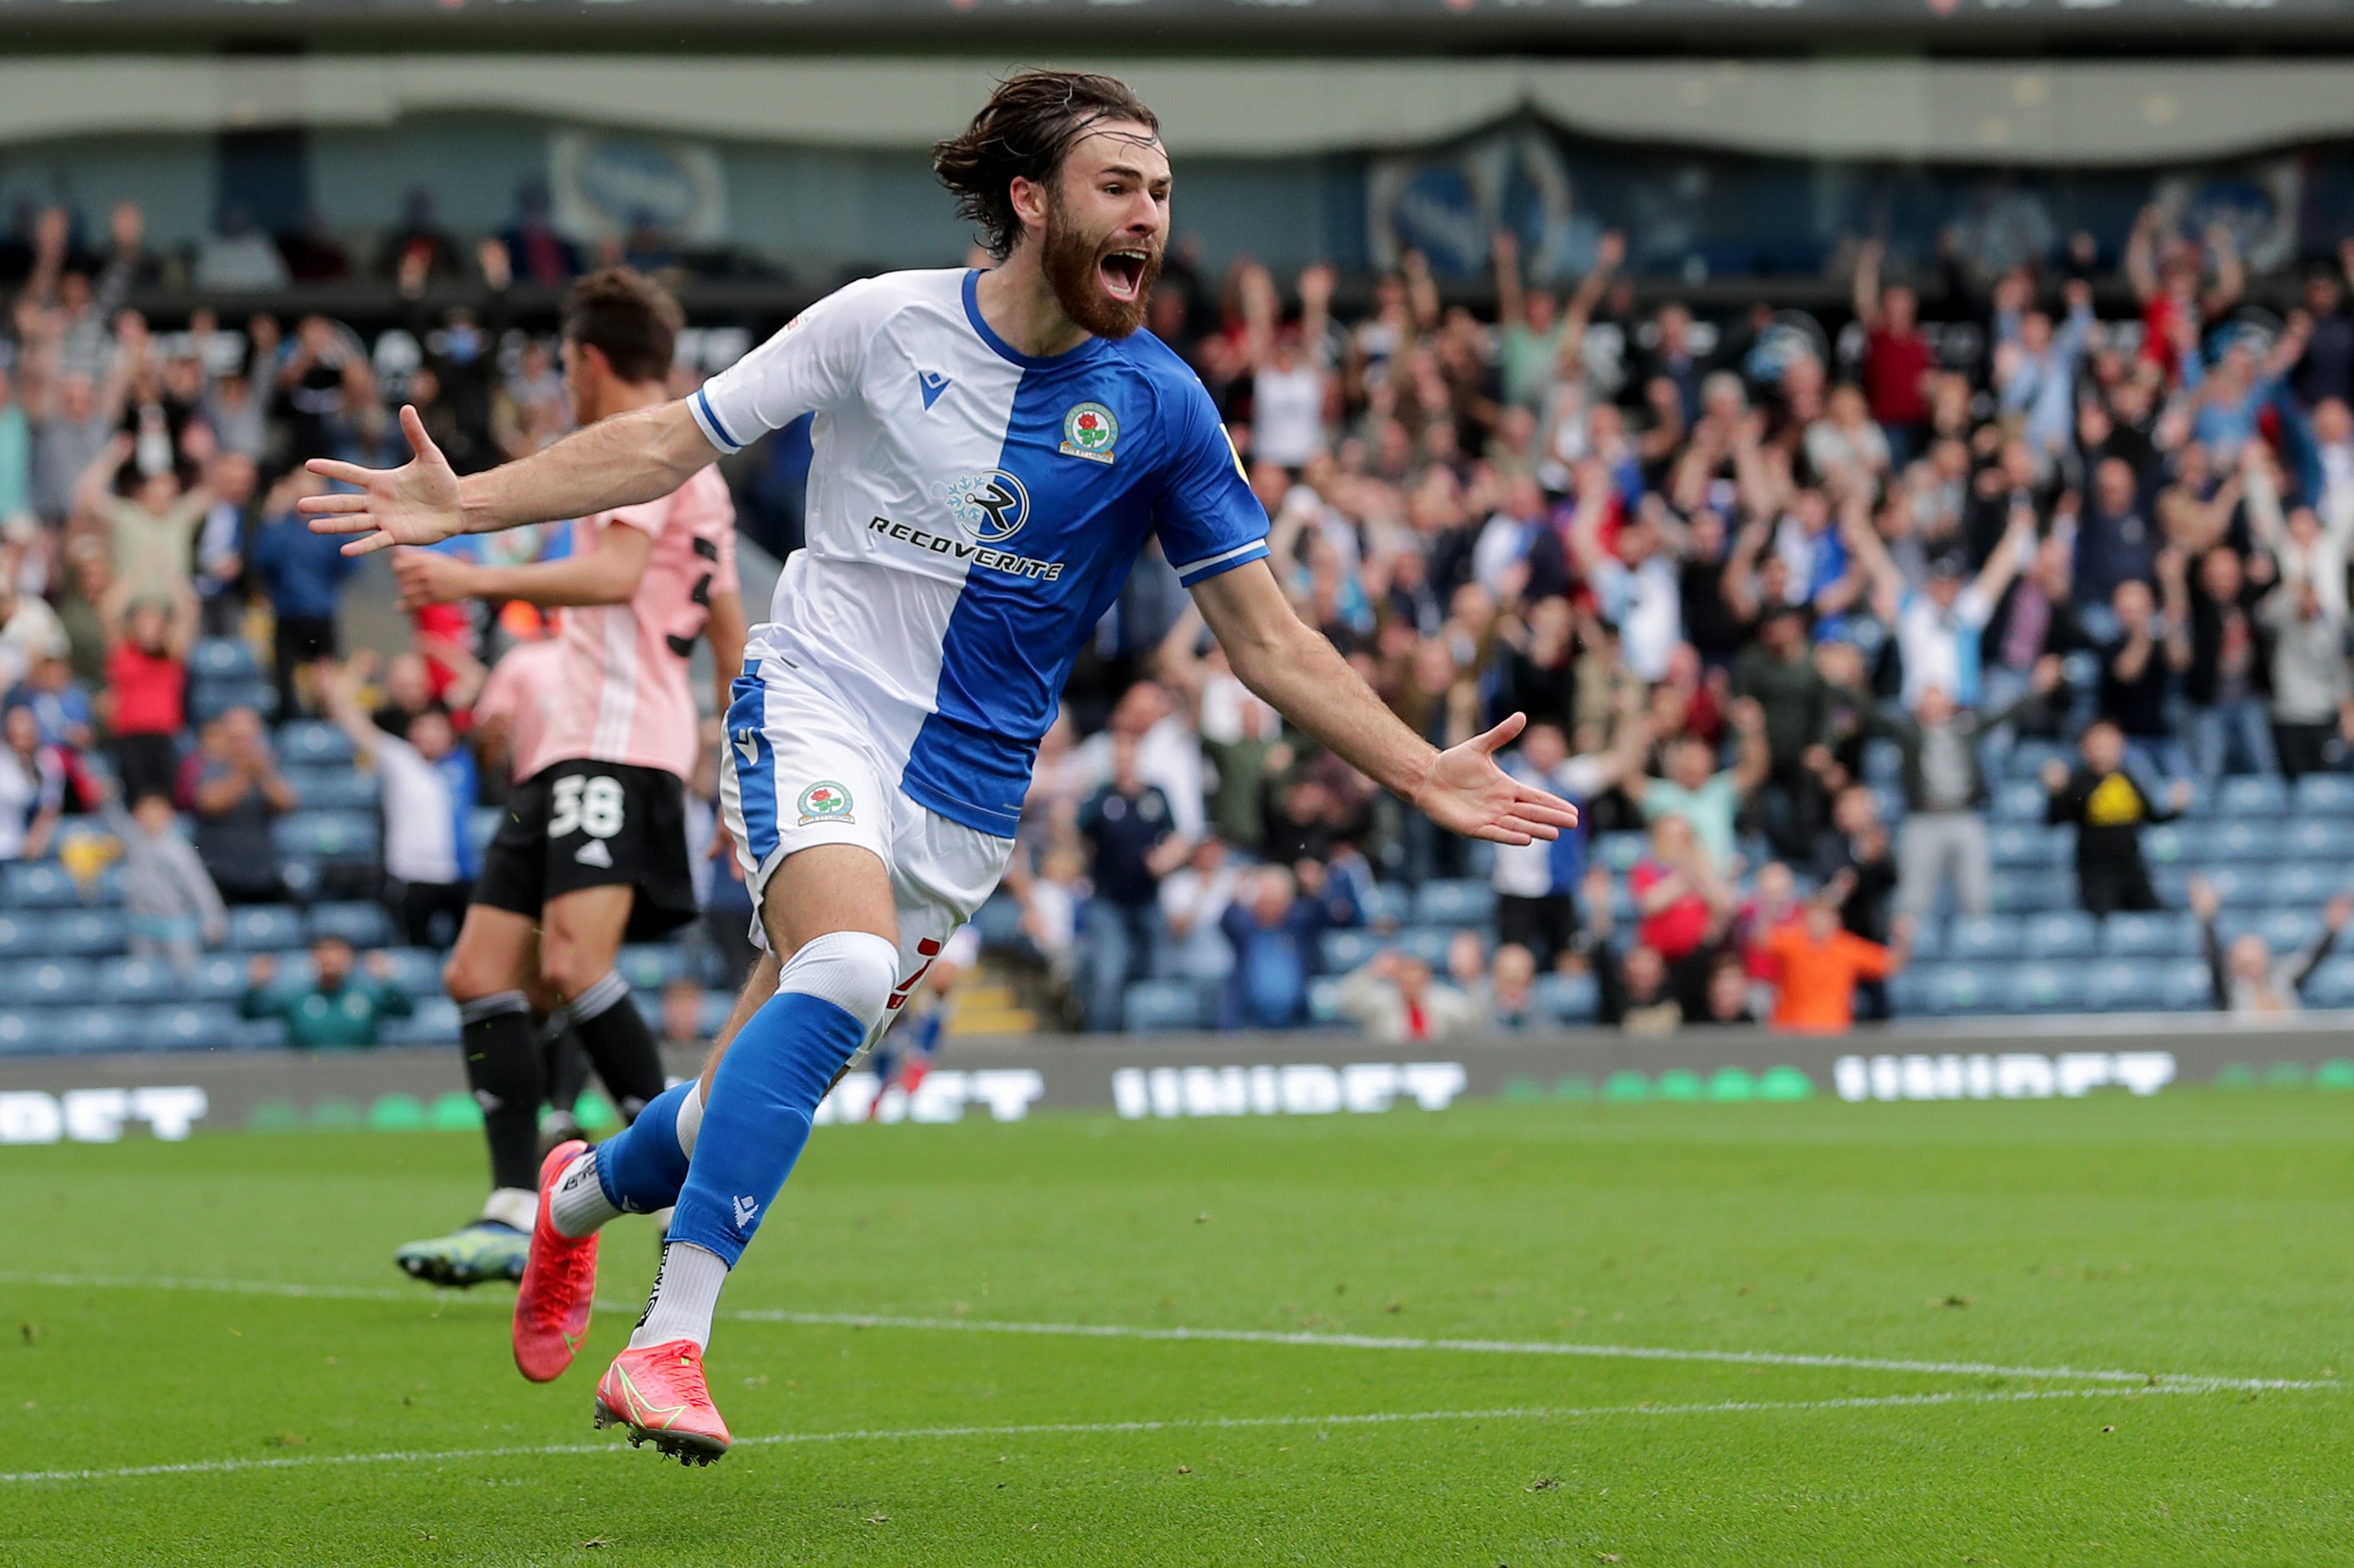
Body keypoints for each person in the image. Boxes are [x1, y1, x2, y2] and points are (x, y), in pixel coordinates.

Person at [305, 70, 1575, 1460]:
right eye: (1119, 186)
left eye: (1160, 191)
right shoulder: (878, 321)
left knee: (745, 1092)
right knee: (840, 969)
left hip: (964, 803)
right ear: (1030, 201)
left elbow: (1264, 639)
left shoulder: (1159, 405)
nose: (1149, 213)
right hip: (817, 703)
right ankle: (668, 1338)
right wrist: (473, 502)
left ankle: (567, 1201)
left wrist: (1416, 768)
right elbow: (673, 438)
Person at [380, 268, 749, 1289]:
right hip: (574, 745)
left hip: (617, 742)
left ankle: (695, 1177)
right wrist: (733, 750)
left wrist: (472, 573)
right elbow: (722, 619)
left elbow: (620, 579)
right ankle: (510, 1210)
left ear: (587, 361)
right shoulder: (669, 461)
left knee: (576, 961)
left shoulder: (655, 455)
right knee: (481, 971)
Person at [319, 654, 479, 950]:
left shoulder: (463, 762)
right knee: (412, 954)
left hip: (459, 874)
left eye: (436, 729)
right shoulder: (399, 758)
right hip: (411, 876)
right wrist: (354, 673)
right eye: (422, 729)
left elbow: (475, 681)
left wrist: (435, 655)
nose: (429, 736)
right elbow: (348, 714)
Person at [1076, 732, 1188, 1030]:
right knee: (1108, 974)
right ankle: (1102, 1044)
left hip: (1148, 898)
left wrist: (1167, 857)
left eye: (1129, 758)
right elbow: (1075, 834)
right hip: (1109, 900)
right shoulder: (1101, 796)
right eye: (1119, 759)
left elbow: (1178, 839)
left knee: (1160, 972)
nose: (1124, 765)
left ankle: (1152, 1043)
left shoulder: (1156, 794)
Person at [2043, 718, 2191, 917]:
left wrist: (2176, 809)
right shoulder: (2079, 782)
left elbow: (2151, 816)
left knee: (2160, 917)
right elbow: (2054, 819)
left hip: (2132, 868)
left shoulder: (2128, 778)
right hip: (2097, 874)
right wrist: (2056, 793)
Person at [103, 778, 226, 975]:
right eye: (144, 811)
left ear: (168, 814)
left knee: (185, 976)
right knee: (144, 977)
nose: (149, 817)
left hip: (176, 924)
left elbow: (199, 885)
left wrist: (213, 917)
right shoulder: (135, 839)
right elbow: (116, 820)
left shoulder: (178, 849)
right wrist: (109, 799)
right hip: (142, 923)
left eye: (155, 810)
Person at [2189, 873, 2351, 1015]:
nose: (2252, 968)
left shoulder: (2283, 982)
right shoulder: (2231, 993)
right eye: (2245, 964)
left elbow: (2312, 959)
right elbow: (2214, 960)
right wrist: (2207, 921)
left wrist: (2332, 930)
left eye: (2256, 960)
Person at [190, 705, 299, 905]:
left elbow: (288, 803)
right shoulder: (212, 766)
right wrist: (243, 776)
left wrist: (264, 775)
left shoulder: (265, 769)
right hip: (221, 874)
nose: (242, 745)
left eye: (247, 738)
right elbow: (208, 803)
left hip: (262, 872)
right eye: (236, 738)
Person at [1757, 896, 1907, 1033]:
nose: (1818, 923)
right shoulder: (1793, 942)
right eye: (1813, 918)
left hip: (1833, 1031)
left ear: (1836, 921)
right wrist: (1769, 906)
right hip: (1791, 1030)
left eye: (1823, 918)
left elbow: (1889, 964)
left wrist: (1902, 939)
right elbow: (1762, 941)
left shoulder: (1847, 947)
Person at [239, 937, 414, 1050]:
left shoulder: (368, 994)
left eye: (337, 953)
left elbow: (406, 1011)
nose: (330, 960)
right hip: (307, 1076)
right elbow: (250, 1013)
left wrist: (388, 981)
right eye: (323, 954)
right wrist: (256, 986)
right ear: (313, 959)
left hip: (362, 1075)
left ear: (349, 959)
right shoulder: (297, 997)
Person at [1334, 947, 1483, 1043]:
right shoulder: (1382, 1000)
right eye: (1406, 976)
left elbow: (1474, 1018)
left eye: (1416, 975)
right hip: (1388, 1062)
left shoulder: (1443, 999)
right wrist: (1373, 971)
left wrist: (1470, 982)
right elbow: (1347, 1001)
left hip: (1436, 1061)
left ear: (1427, 977)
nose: (1411, 981)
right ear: (1397, 977)